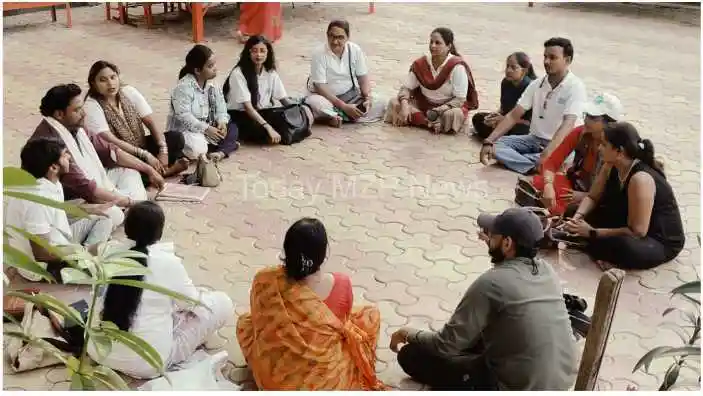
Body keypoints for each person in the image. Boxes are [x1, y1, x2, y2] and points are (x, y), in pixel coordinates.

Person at [389, 208, 577, 390]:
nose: (487, 239)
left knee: (412, 354)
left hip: (512, 386)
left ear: (507, 243)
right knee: (480, 335)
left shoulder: (491, 282)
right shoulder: (547, 271)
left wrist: (408, 333)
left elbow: (446, 344)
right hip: (560, 383)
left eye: (492, 235)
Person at [236, 218, 387, 390]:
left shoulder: (265, 279)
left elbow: (261, 321)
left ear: (287, 250)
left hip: (273, 380)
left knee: (245, 322)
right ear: (322, 255)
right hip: (325, 383)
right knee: (369, 316)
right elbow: (343, 326)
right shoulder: (341, 284)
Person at [88, 201, 234, 379]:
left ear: (126, 227)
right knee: (221, 303)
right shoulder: (168, 263)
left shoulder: (108, 251)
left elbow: (93, 250)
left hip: (98, 352)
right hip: (148, 363)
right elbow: (193, 305)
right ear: (159, 233)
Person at [29, 84, 162, 224]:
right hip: (70, 200)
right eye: (77, 110)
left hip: (89, 189)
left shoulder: (75, 127)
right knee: (113, 214)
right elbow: (85, 187)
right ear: (59, 114)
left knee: (130, 172)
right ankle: (132, 208)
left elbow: (111, 151)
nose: (84, 114)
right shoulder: (51, 144)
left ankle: (131, 208)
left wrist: (149, 169)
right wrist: (131, 202)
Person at [562, 122, 684, 270]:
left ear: (619, 151)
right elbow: (592, 197)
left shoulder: (641, 179)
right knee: (571, 212)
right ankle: (590, 242)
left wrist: (592, 232)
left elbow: (637, 231)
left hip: (655, 239)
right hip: (625, 221)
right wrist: (577, 218)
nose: (599, 148)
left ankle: (594, 245)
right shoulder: (610, 164)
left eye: (604, 145)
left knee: (624, 247)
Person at [5, 138, 117, 282]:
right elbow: (41, 253)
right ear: (53, 167)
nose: (69, 157)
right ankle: (87, 262)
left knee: (104, 219)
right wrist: (83, 251)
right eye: (64, 155)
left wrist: (89, 209)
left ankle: (88, 260)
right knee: (109, 273)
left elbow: (55, 213)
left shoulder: (49, 181)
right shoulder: (36, 199)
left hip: (60, 243)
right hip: (42, 268)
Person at [480, 37, 587, 175]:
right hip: (534, 140)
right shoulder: (537, 84)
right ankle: (535, 165)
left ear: (567, 60)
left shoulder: (575, 87)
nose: (546, 62)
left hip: (560, 144)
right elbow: (513, 115)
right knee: (497, 146)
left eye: (553, 58)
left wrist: (548, 152)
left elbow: (568, 124)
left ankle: (529, 162)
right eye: (545, 57)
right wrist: (489, 141)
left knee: (561, 156)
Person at [517, 93, 623, 215]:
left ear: (609, 123)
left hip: (597, 197)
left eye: (593, 118)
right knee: (542, 182)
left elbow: (614, 193)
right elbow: (551, 162)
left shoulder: (616, 149)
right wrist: (548, 185)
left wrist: (586, 196)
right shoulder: (580, 133)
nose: (587, 120)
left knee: (570, 205)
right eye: (587, 115)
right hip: (575, 186)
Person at [83, 60, 189, 180]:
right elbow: (110, 140)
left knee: (176, 138)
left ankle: (157, 170)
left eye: (113, 77)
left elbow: (150, 122)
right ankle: (165, 171)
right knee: (127, 174)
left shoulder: (128, 91)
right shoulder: (91, 105)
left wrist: (162, 148)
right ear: (93, 83)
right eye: (103, 80)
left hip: (140, 145)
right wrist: (145, 154)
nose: (110, 83)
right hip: (119, 155)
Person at [386, 27, 479, 135]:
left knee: (453, 114)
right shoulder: (421, 63)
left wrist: (438, 111)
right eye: (431, 42)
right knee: (394, 103)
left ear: (449, 46)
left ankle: (424, 121)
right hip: (424, 106)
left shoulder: (457, 66)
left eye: (438, 43)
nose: (432, 46)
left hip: (446, 108)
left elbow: (460, 99)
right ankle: (430, 124)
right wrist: (405, 104)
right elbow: (406, 88)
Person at [224, 35, 313, 145]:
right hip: (241, 115)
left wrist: (298, 110)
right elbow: (248, 108)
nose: (258, 55)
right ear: (248, 52)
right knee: (270, 129)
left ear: (268, 53)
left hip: (263, 112)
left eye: (262, 51)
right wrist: (268, 127)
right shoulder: (238, 73)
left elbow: (284, 100)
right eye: (254, 51)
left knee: (302, 112)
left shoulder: (270, 72)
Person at [304, 20, 387, 127]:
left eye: (340, 37)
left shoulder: (355, 50)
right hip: (326, 98)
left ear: (347, 37)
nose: (335, 41)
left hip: (350, 96)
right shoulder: (318, 53)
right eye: (332, 36)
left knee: (380, 102)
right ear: (327, 36)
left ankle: (338, 117)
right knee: (316, 103)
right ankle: (340, 115)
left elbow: (362, 77)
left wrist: (367, 98)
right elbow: (320, 86)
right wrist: (343, 106)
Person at [166, 44, 239, 161]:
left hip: (209, 128)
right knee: (197, 149)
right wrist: (206, 129)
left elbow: (221, 108)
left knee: (232, 127)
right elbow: (185, 117)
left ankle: (220, 152)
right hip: (188, 132)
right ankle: (225, 147)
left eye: (214, 64)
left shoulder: (213, 85)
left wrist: (222, 122)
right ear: (197, 70)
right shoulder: (183, 87)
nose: (215, 68)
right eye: (210, 66)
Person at [472, 52, 537, 139]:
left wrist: (503, 119)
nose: (508, 70)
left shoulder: (531, 87)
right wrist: (495, 115)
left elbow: (531, 122)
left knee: (522, 131)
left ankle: (501, 137)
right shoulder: (505, 82)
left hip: (521, 125)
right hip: (505, 119)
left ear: (524, 71)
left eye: (513, 67)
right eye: (507, 66)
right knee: (478, 118)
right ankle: (501, 136)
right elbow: (503, 108)